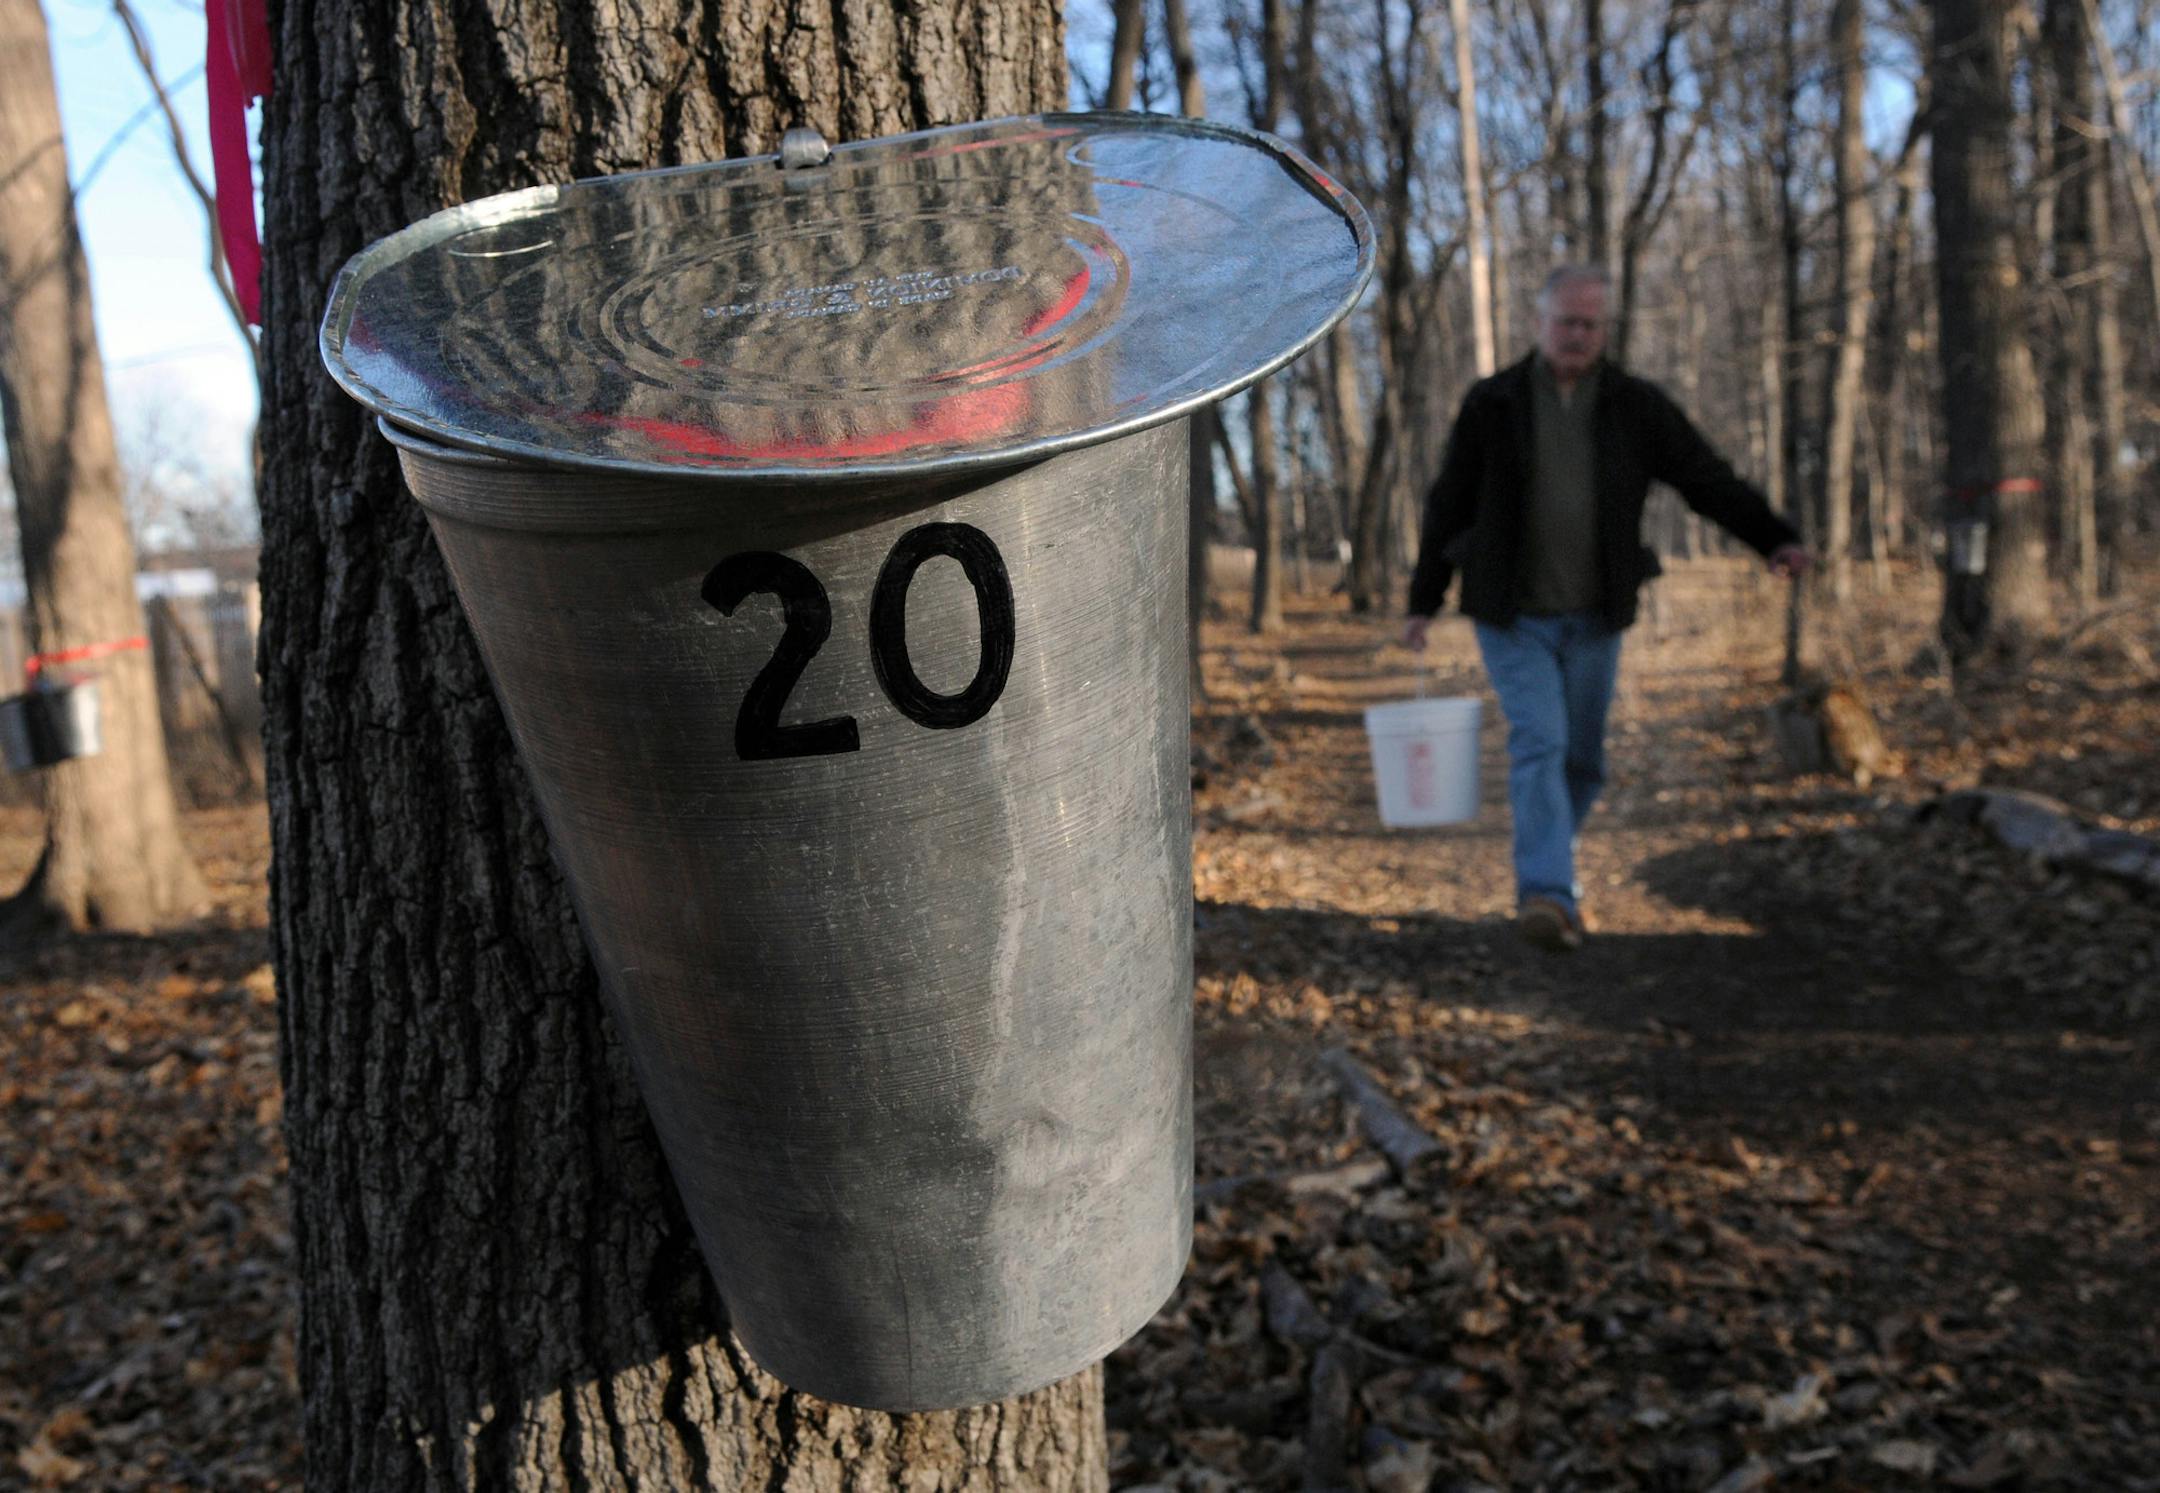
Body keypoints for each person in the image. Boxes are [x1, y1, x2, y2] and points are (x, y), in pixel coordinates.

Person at [1400, 264, 1811, 952]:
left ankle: (1551, 856)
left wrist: (1772, 537)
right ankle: (1547, 895)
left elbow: (1704, 478)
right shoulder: (1493, 402)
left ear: (1605, 330)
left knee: (1585, 762)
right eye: (1567, 321)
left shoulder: (1635, 405)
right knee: (1542, 742)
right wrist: (1423, 599)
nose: (1579, 335)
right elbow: (1449, 502)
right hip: (1511, 615)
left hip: (1596, 615)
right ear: (1541, 322)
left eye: (1592, 324)